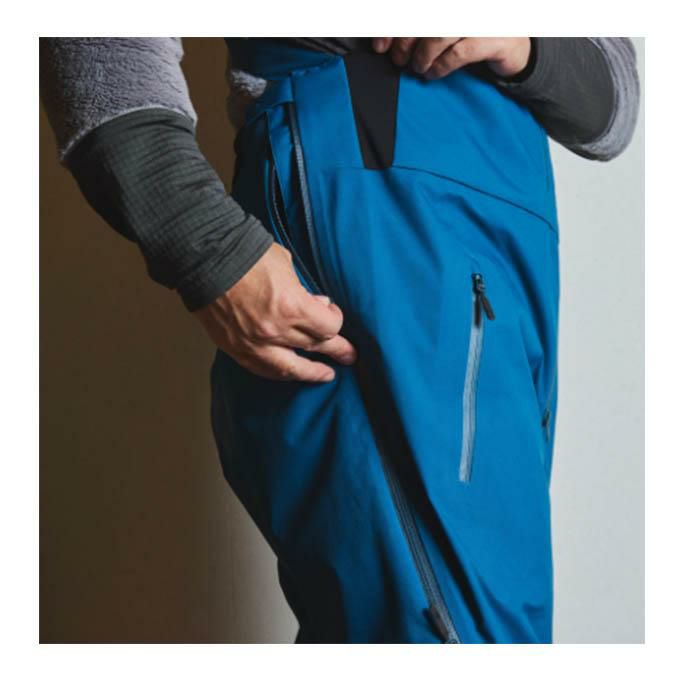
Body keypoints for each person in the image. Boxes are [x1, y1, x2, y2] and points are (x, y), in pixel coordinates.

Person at [40, 37, 640, 643]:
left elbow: (612, 105)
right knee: (442, 633)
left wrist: (529, 42)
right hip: (370, 190)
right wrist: (210, 250)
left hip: (507, 237)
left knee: (493, 626)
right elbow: (100, 43)